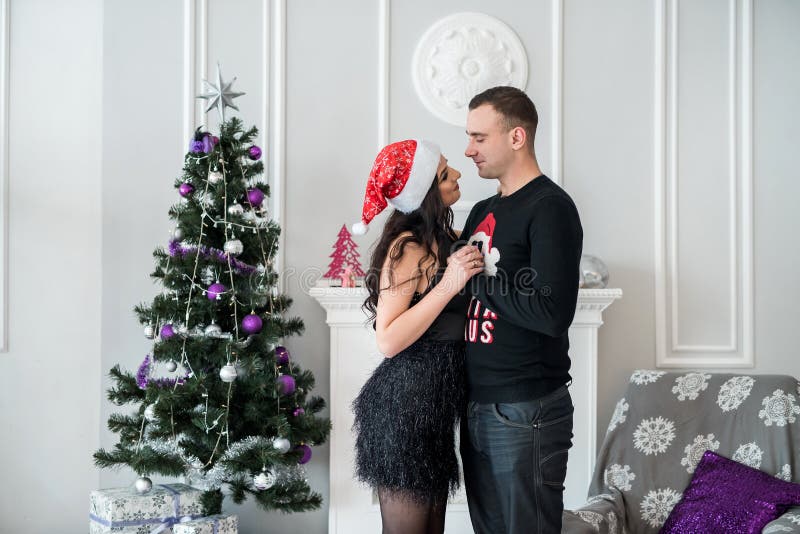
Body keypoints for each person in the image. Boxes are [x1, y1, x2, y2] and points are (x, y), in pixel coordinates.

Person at [459, 86, 584, 534]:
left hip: (525, 408)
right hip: (477, 403)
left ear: (516, 137)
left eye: (479, 137)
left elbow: (551, 311)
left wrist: (474, 281)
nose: (468, 149)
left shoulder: (550, 208)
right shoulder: (481, 210)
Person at [350, 139, 484, 534]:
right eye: (444, 173)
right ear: (425, 193)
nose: (457, 174)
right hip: (402, 413)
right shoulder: (407, 248)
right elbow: (388, 340)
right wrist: (450, 284)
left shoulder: (443, 241)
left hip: (434, 416)